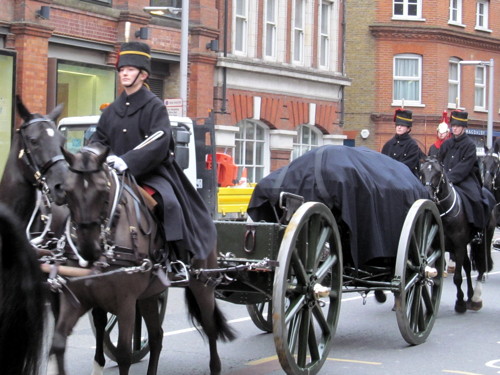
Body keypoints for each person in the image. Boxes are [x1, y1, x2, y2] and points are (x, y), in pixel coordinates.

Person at [90, 41, 216, 280]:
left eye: (129, 69)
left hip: (150, 173)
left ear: (143, 74)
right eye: (121, 70)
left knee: (169, 204)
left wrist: (127, 161)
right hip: (114, 175)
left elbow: (159, 139)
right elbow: (98, 139)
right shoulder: (110, 110)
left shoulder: (154, 106)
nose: (124, 73)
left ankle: (177, 260)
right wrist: (101, 157)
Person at [438, 110, 495, 234]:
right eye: (453, 126)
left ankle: (477, 230)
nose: (455, 129)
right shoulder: (446, 144)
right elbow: (439, 161)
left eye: (458, 126)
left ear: (463, 127)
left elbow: (465, 166)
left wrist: (449, 178)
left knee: (475, 199)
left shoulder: (470, 145)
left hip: (466, 179)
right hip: (446, 179)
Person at [381, 108, 423, 176]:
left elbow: (409, 165)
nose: (399, 127)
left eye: (402, 125)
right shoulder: (388, 144)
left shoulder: (412, 145)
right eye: (397, 125)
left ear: (408, 129)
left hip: (406, 179)